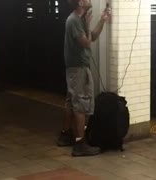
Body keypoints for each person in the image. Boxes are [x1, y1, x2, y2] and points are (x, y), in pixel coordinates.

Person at [57, 0, 111, 157]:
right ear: (81, 2)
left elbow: (92, 36)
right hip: (78, 68)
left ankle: (65, 135)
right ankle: (80, 144)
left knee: (71, 102)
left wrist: (102, 19)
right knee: (80, 103)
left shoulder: (78, 19)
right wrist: (87, 24)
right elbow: (86, 43)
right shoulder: (74, 20)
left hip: (76, 68)